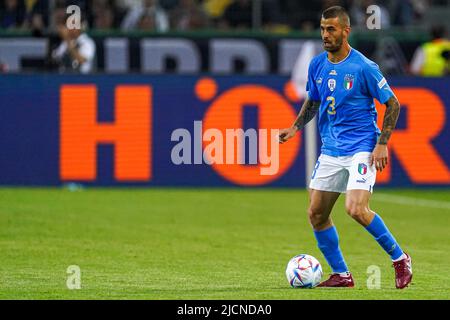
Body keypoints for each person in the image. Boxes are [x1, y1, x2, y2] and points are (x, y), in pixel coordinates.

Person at [279, 6, 412, 289]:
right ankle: (341, 275)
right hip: (331, 150)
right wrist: (295, 127)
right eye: (323, 29)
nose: (325, 35)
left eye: (331, 29)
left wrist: (382, 144)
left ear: (345, 31)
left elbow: (393, 103)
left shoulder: (363, 67)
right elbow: (314, 100)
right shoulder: (317, 64)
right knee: (316, 214)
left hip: (362, 148)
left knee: (355, 208)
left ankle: (400, 258)